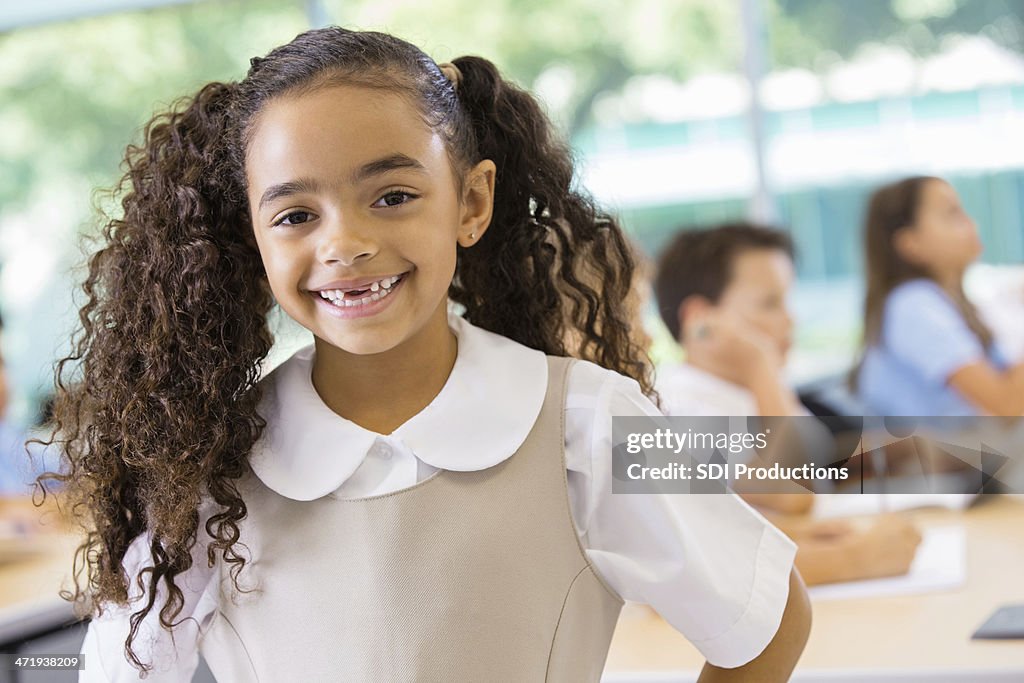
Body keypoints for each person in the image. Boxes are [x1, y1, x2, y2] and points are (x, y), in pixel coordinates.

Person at [47, 28, 809, 682]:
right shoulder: (208, 467)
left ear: (471, 203)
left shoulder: (590, 419)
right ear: (251, 236)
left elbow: (771, 619)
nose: (343, 242)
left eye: (392, 196)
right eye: (295, 213)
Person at [653, 222, 922, 586]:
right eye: (770, 303)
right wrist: (760, 365)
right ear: (700, 320)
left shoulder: (744, 391)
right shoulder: (679, 405)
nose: (790, 318)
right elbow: (795, 492)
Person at [856, 175, 1024, 416]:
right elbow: (1007, 406)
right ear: (909, 242)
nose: (971, 223)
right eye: (952, 214)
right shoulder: (912, 304)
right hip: (955, 449)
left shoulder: (952, 302)